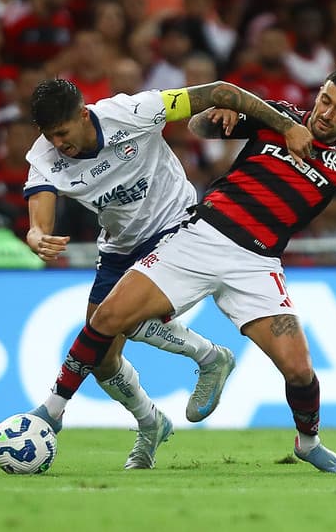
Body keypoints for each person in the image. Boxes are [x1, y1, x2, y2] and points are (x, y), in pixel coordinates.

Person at [34, 67, 336, 474]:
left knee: (299, 370)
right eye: (324, 100)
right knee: (107, 320)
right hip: (199, 237)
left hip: (257, 264)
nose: (326, 113)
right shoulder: (277, 116)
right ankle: (53, 411)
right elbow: (200, 123)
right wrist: (221, 118)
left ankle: (309, 444)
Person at [23, 78, 310, 469]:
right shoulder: (43, 156)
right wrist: (37, 233)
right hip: (120, 245)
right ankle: (151, 422)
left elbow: (218, 91)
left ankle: (206, 356)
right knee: (101, 356)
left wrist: (285, 124)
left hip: (176, 225)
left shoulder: (133, 112)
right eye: (48, 136)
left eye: (61, 133)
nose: (57, 144)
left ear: (83, 114)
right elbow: (40, 206)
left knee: (118, 318)